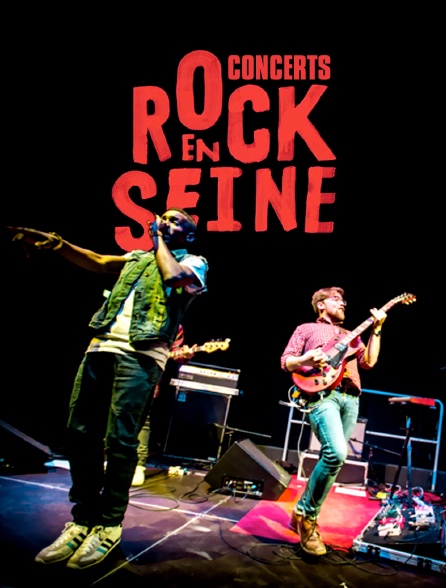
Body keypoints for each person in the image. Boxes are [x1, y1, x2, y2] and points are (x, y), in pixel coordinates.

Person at [7, 208, 208, 569]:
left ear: (189, 235)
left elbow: (174, 277)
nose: (164, 221)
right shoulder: (137, 258)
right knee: (80, 434)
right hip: (100, 349)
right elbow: (98, 261)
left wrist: (157, 238)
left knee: (120, 441)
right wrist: (58, 244)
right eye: (163, 217)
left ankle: (109, 525)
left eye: (174, 220)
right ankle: (83, 520)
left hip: (141, 356)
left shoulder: (194, 261)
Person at [280, 287, 386, 557]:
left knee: (333, 460)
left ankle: (300, 512)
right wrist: (305, 359)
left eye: (343, 301)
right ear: (320, 305)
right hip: (322, 395)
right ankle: (308, 519)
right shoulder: (306, 329)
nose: (343, 304)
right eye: (336, 300)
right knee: (336, 453)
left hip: (351, 398)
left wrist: (376, 329)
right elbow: (286, 361)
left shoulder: (353, 335)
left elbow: (369, 362)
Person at [131, 324, 195, 486]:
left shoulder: (175, 325)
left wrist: (185, 355)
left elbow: (174, 352)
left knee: (143, 421)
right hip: (123, 369)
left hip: (148, 378)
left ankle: (138, 466)